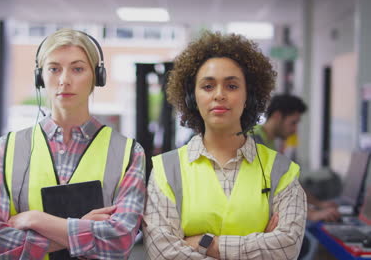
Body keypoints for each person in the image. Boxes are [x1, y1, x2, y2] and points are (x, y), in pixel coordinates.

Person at [0, 28, 146, 259]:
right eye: (54, 69)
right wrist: (83, 232)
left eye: (77, 69)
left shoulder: (129, 153)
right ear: (40, 77)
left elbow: (119, 241)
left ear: (96, 76)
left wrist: (36, 219)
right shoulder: (5, 149)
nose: (64, 80)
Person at [143, 31, 307, 259]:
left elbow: (286, 248)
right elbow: (163, 254)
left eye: (231, 86)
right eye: (208, 86)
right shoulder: (166, 170)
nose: (219, 95)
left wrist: (204, 244)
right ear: (192, 97)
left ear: (249, 95)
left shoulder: (282, 171)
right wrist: (259, 245)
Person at [251, 94, 340, 222]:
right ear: (277, 116)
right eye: (293, 123)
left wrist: (318, 204)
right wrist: (311, 214)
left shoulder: (269, 142)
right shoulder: (255, 141)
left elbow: (288, 181)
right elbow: (271, 188)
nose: (294, 130)